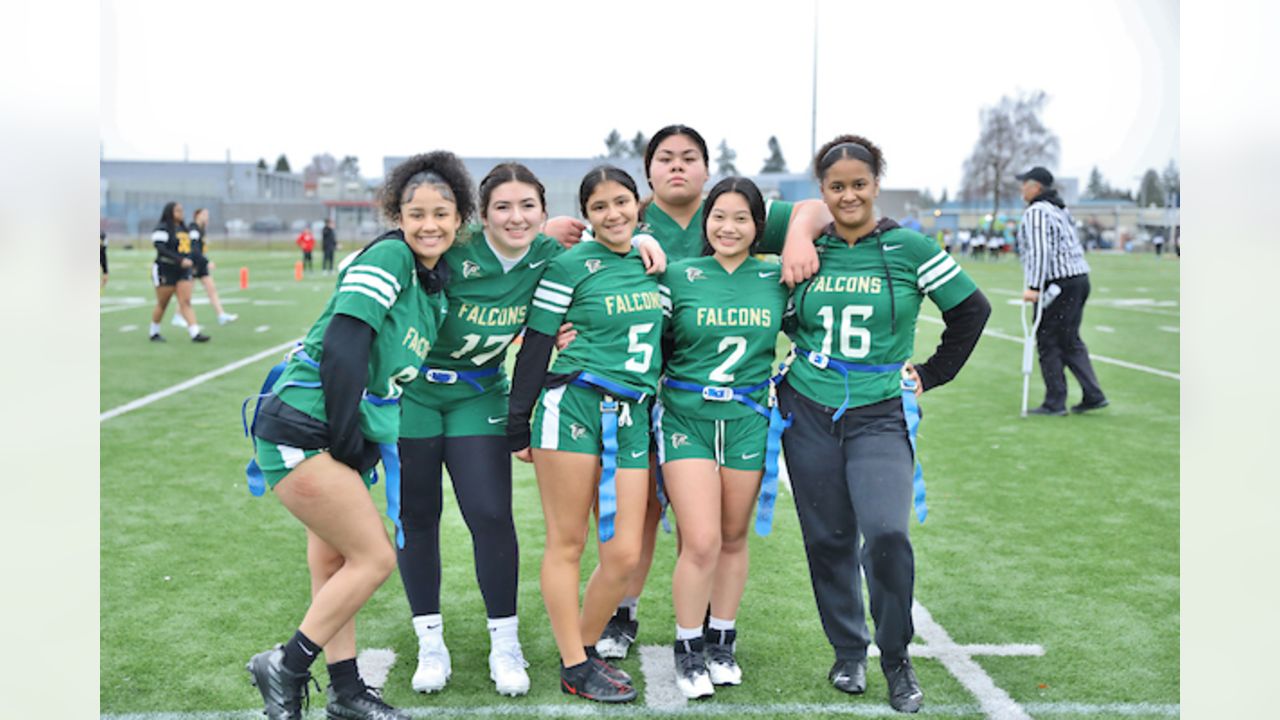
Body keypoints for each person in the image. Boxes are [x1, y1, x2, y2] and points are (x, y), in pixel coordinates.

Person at [243, 151, 471, 720]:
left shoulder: (433, 285)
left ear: (460, 218)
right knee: (373, 558)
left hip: (336, 430)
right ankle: (286, 665)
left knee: (335, 562)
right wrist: (347, 439)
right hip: (307, 424)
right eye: (416, 213)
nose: (429, 225)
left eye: (442, 213)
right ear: (397, 214)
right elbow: (345, 346)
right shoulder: (392, 255)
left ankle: (345, 692)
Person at [593, 124, 833, 661]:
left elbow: (816, 209)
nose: (677, 166)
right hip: (641, 385)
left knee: (705, 524)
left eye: (689, 157)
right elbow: (588, 266)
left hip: (713, 395)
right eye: (665, 158)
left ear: (706, 167)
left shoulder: (734, 208)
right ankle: (622, 611)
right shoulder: (630, 213)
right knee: (639, 512)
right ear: (648, 170)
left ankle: (701, 619)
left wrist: (795, 235)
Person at [779, 135, 990, 713]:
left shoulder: (911, 248)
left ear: (877, 183)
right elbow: (717, 221)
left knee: (888, 534)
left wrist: (931, 372)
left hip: (878, 413)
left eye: (859, 184)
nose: (849, 195)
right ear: (821, 190)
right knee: (828, 539)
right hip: (808, 409)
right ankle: (848, 650)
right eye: (836, 186)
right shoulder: (806, 241)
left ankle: (895, 656)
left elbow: (972, 310)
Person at [507, 165, 665, 703]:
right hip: (572, 405)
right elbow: (536, 342)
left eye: (621, 202)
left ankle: (586, 645)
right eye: (599, 207)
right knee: (568, 543)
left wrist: (644, 240)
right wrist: (517, 420)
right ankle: (576, 663)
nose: (613, 214)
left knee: (623, 553)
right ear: (587, 215)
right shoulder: (570, 264)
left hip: (634, 415)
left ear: (637, 204)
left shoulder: (653, 262)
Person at [654, 177, 790, 699]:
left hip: (747, 418)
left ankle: (721, 641)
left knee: (733, 538)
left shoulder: (778, 274)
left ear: (758, 226)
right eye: (719, 216)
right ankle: (687, 649)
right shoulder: (679, 274)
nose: (728, 227)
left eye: (741, 218)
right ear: (706, 221)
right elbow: (645, 332)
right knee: (702, 540)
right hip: (686, 418)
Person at [1015, 166, 1109, 415]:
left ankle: (1055, 401)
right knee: (1069, 339)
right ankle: (1093, 393)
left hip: (1058, 283)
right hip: (1077, 279)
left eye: (1024, 184)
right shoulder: (1059, 209)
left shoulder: (1037, 212)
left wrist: (1034, 287)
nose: (1021, 189)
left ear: (1035, 187)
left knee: (1048, 339)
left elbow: (1040, 251)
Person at [148, 201, 210, 343]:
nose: (181, 213)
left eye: (182, 210)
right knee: (163, 303)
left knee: (186, 301)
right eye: (177, 211)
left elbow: (189, 249)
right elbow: (161, 248)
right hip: (166, 269)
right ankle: (154, 331)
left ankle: (195, 333)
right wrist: (179, 260)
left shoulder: (184, 229)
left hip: (183, 270)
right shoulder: (162, 228)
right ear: (170, 212)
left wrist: (190, 261)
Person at [173, 208, 238, 327]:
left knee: (211, 289)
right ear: (197, 215)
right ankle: (177, 316)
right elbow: (194, 249)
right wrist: (206, 261)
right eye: (204, 214)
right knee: (187, 293)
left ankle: (221, 315)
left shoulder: (201, 229)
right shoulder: (193, 228)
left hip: (200, 264)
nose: (207, 217)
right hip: (194, 263)